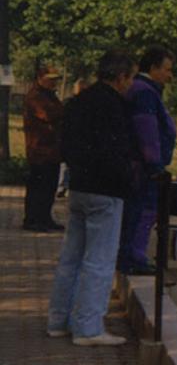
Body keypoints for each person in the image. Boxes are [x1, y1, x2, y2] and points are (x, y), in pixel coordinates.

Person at [46, 50, 138, 346]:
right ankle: (88, 327)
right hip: (107, 190)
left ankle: (57, 320)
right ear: (121, 77)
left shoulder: (79, 101)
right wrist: (127, 178)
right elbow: (120, 149)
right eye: (130, 78)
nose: (130, 84)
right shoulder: (116, 106)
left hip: (80, 185)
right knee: (99, 259)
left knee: (70, 256)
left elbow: (66, 141)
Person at [117, 46, 177, 275]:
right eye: (167, 70)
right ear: (152, 68)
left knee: (139, 210)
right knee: (144, 210)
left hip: (140, 164)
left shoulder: (142, 89)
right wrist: (155, 165)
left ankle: (132, 254)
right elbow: (147, 129)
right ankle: (134, 256)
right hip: (143, 167)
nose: (169, 76)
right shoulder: (144, 92)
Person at [22, 61, 65, 232]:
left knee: (49, 187)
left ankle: (44, 217)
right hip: (39, 149)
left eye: (55, 79)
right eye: (50, 79)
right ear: (40, 78)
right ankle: (33, 219)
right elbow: (48, 114)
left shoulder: (49, 95)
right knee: (38, 186)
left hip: (52, 150)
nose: (53, 82)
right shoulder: (35, 96)